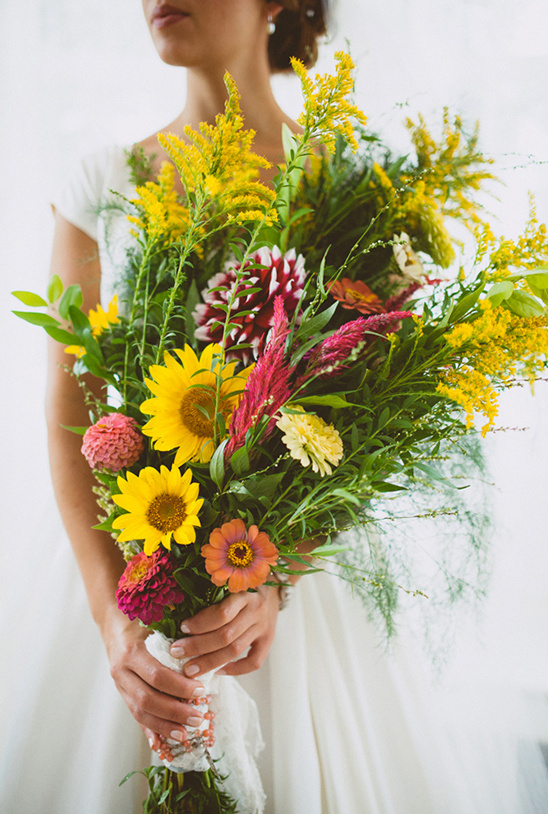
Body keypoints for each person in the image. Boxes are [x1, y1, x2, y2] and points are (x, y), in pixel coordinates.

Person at [3, 1, 548, 813]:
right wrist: (118, 624)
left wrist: (273, 579)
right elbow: (69, 412)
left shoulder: (364, 189)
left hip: (294, 607)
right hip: (132, 565)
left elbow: (377, 424)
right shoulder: (103, 181)